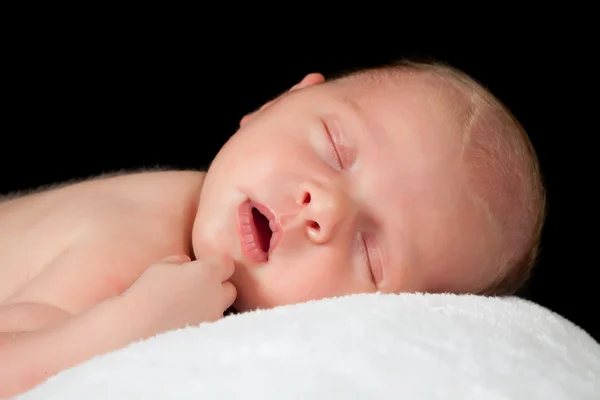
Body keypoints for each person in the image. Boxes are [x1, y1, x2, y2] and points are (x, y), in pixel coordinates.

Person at [0, 59, 546, 396]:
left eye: (370, 253)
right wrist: (125, 324)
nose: (321, 208)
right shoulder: (132, 249)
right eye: (335, 149)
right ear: (275, 103)